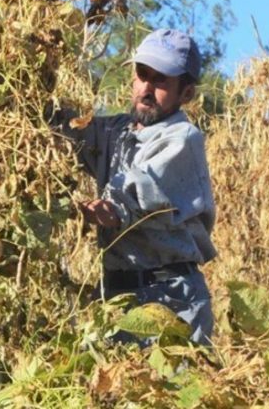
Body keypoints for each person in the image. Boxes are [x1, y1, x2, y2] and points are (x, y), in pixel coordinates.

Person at [59, 28, 217, 345]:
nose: (146, 88)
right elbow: (61, 130)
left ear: (185, 93)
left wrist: (104, 209)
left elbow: (134, 194)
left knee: (167, 391)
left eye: (160, 81)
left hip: (170, 298)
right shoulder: (115, 132)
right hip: (117, 294)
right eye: (142, 74)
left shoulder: (182, 139)